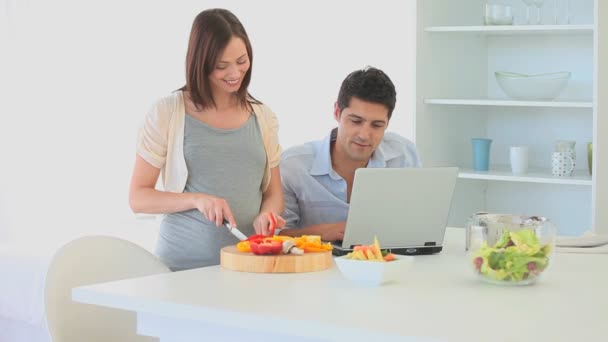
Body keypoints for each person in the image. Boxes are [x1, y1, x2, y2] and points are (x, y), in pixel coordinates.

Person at [129, 9, 285, 271]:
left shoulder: (263, 117)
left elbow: (274, 194)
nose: (235, 73)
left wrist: (266, 214)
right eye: (221, 66)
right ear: (200, 63)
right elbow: (138, 197)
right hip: (181, 268)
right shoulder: (168, 112)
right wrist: (196, 199)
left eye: (242, 61)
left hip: (245, 268)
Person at [279, 66, 421, 242]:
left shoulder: (403, 154)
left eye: (377, 125)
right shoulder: (293, 164)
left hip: (387, 264)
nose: (364, 135)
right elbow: (275, 236)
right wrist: (318, 233)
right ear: (337, 112)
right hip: (315, 266)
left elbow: (416, 224)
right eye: (356, 121)